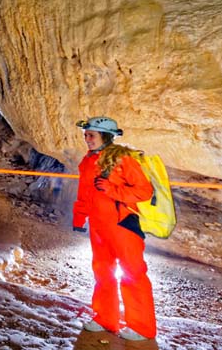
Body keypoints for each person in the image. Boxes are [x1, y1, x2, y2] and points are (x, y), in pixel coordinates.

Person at [72, 116, 157, 341]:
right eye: (85, 135)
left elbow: (144, 191)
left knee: (133, 273)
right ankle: (104, 318)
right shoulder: (88, 161)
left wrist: (113, 190)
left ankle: (141, 327)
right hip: (99, 226)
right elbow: (84, 193)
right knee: (103, 272)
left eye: (91, 135)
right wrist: (79, 217)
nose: (86, 139)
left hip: (123, 225)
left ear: (105, 136)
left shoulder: (123, 159)